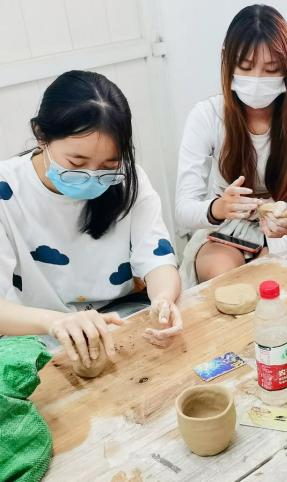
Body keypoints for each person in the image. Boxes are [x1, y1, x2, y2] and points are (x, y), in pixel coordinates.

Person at [0, 70, 183, 368]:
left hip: (119, 319)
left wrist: (164, 298)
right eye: (77, 163)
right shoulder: (7, 191)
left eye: (108, 165)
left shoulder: (128, 180)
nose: (92, 177)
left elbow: (157, 258)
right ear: (41, 135)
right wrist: (56, 323)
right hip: (37, 333)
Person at [175, 4, 287, 287]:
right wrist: (219, 207)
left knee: (267, 281)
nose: (257, 80)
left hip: (282, 230)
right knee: (225, 277)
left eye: (271, 69)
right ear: (227, 60)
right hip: (226, 225)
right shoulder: (208, 115)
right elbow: (184, 207)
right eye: (245, 67)